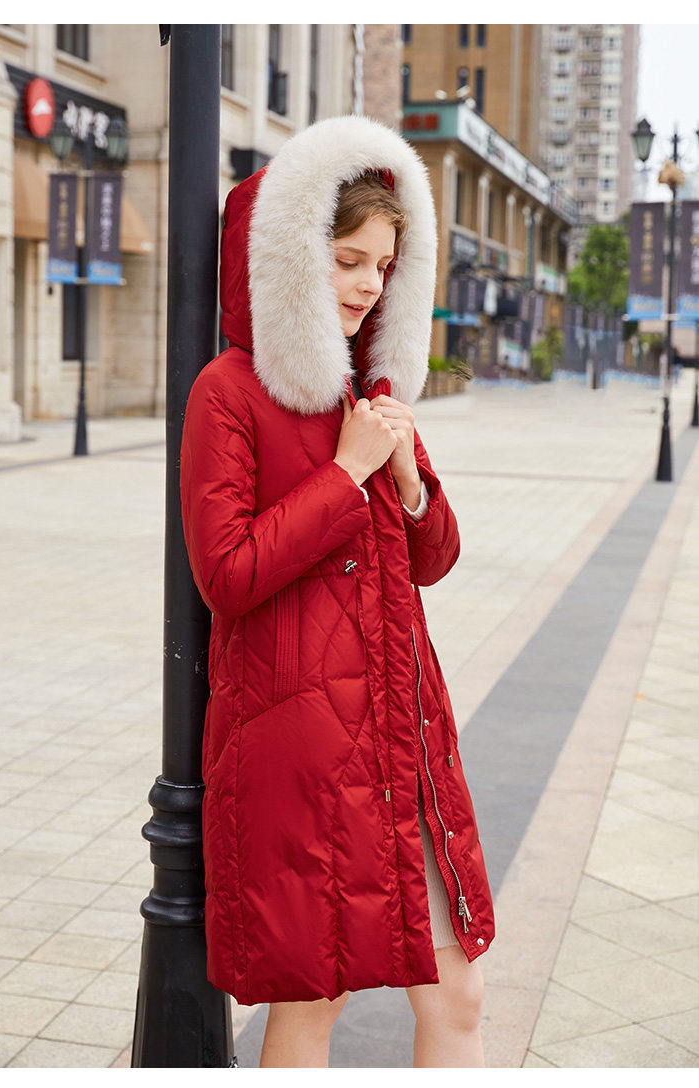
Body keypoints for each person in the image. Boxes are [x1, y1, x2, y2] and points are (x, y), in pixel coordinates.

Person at [180, 115, 495, 1068]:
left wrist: (406, 480)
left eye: (383, 267)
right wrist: (345, 474)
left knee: (459, 991)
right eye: (348, 260)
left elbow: (435, 558)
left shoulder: (373, 391)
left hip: (403, 732)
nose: (367, 286)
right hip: (301, 745)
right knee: (314, 1003)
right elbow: (226, 573)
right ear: (289, 260)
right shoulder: (228, 393)